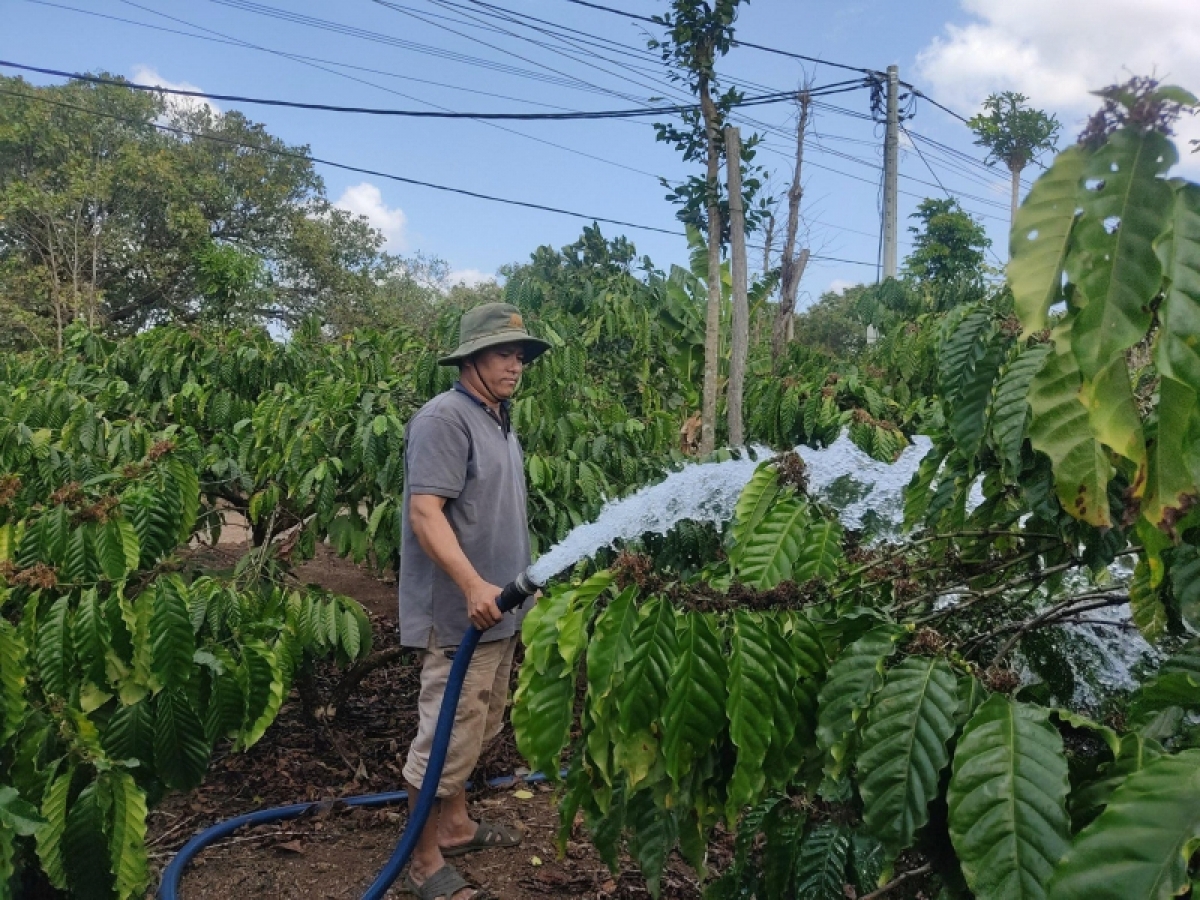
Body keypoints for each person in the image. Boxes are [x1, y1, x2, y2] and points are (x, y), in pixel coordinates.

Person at [398, 302, 550, 900]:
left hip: (501, 611)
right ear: (472, 358)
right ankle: (424, 864)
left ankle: (456, 826)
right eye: (504, 354)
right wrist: (471, 585)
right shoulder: (444, 419)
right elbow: (424, 513)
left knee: (477, 726)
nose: (516, 365)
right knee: (442, 740)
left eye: (520, 355)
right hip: (462, 613)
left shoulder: (497, 417)